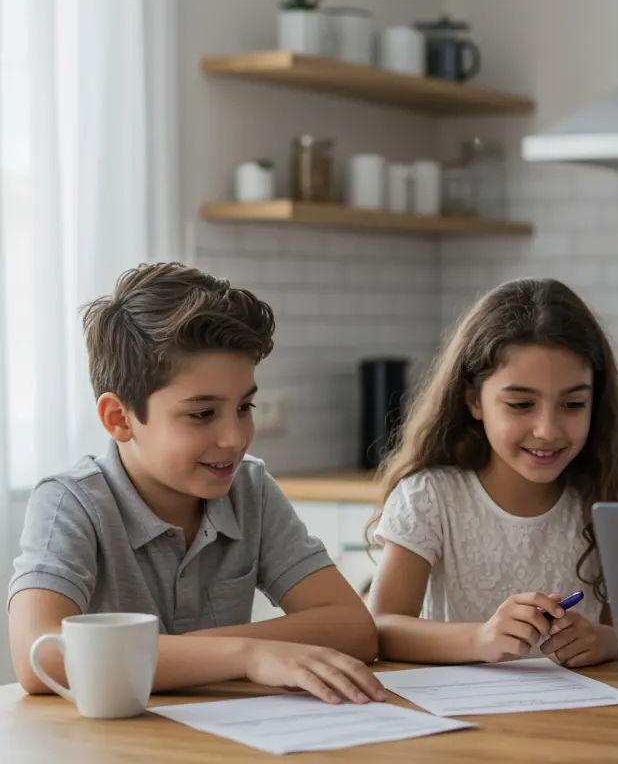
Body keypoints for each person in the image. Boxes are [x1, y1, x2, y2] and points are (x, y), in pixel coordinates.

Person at [8, 262, 384, 705]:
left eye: (245, 407)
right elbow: (40, 657)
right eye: (202, 414)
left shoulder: (251, 489)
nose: (235, 437)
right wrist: (247, 655)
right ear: (119, 419)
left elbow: (353, 628)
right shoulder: (70, 502)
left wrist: (203, 655)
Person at [366, 277, 618, 668]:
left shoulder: (613, 499)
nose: (548, 430)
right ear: (473, 400)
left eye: (573, 404)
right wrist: (481, 638)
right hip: (463, 718)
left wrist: (608, 642)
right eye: (520, 405)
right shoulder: (429, 498)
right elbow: (379, 629)